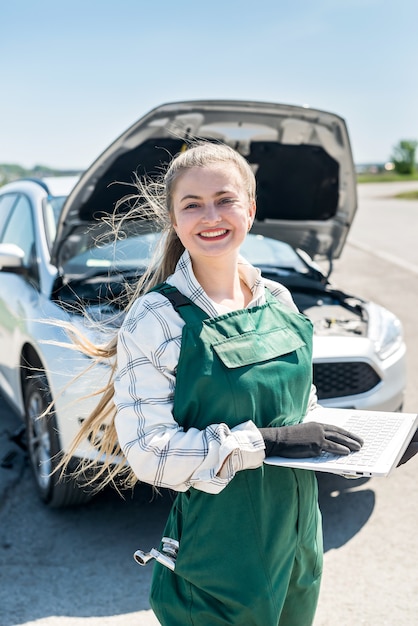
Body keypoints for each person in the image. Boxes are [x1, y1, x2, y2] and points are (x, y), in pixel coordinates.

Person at [62, 141, 364, 626]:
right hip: (220, 553)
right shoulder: (158, 317)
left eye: (225, 199)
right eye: (192, 204)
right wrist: (264, 442)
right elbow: (147, 451)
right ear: (174, 219)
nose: (211, 215)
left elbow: (303, 410)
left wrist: (370, 446)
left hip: (300, 536)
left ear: (251, 208)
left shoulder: (280, 299)